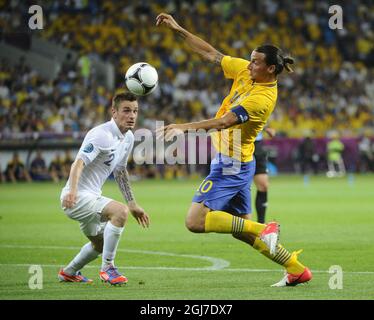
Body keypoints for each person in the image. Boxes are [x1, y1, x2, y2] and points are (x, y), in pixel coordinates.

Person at [156, 13, 312, 287]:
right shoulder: (246, 71)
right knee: (241, 231)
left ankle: (266, 228)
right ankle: (296, 268)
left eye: (255, 61)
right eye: (250, 59)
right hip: (240, 161)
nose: (249, 64)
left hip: (231, 164)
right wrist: (178, 29)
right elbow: (211, 53)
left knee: (194, 221)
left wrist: (184, 126)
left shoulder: (263, 98)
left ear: (271, 70)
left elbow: (225, 121)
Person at [59, 92, 150, 285]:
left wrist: (133, 203)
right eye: (126, 110)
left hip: (91, 197)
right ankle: (108, 268)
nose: (132, 116)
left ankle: (69, 271)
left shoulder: (128, 138)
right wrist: (72, 191)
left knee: (99, 244)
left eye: (135, 111)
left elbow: (120, 171)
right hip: (77, 198)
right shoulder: (101, 135)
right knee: (119, 212)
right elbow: (78, 163)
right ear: (114, 112)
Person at [253, 127, 276, 224]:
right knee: (237, 187)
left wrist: (266, 127)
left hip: (256, 144)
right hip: (238, 142)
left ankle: (260, 224)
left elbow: (256, 116)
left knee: (263, 185)